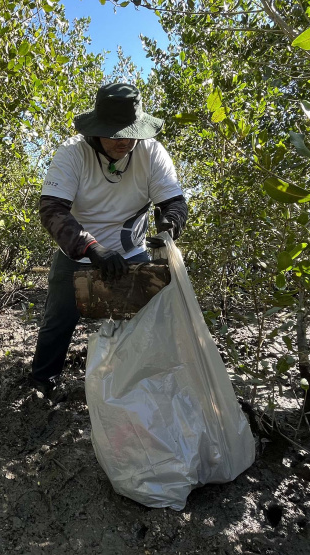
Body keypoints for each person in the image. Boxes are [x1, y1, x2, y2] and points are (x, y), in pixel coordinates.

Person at [30, 82, 189, 400]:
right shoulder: (73, 152)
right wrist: (92, 248)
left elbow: (173, 203)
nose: (125, 140)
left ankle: (144, 384)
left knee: (151, 322)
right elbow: (52, 210)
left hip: (132, 253)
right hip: (77, 253)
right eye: (115, 133)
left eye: (131, 131)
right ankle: (41, 383)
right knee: (58, 320)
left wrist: (168, 231)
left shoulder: (150, 152)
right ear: (96, 129)